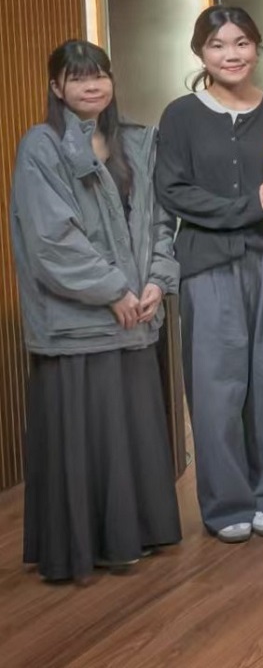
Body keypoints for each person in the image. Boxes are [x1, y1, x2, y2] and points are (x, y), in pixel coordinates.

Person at [13, 41, 182, 582]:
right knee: (85, 439)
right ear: (56, 87)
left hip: (136, 316)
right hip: (78, 324)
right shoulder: (41, 145)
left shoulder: (137, 140)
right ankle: (84, 548)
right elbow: (51, 239)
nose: (92, 86)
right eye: (77, 77)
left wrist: (156, 280)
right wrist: (112, 290)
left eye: (99, 75)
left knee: (131, 434)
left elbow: (160, 222)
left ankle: (135, 535)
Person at [156, 6, 263, 544]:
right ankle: (225, 503)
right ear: (200, 52)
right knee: (216, 388)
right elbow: (173, 191)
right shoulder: (180, 116)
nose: (231, 54)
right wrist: (246, 207)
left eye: (241, 43)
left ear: (257, 48)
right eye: (218, 45)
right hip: (208, 264)